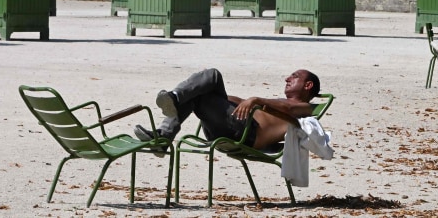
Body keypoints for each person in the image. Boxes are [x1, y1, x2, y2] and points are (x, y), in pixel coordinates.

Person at [134, 68, 320, 152]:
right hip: (234, 127)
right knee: (200, 89)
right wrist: (221, 99)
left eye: (294, 77)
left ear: (308, 85)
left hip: (245, 133)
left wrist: (255, 99)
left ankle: (171, 111)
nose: (287, 78)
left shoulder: (305, 108)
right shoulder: (278, 104)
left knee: (212, 77)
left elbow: (287, 107)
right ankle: (166, 127)